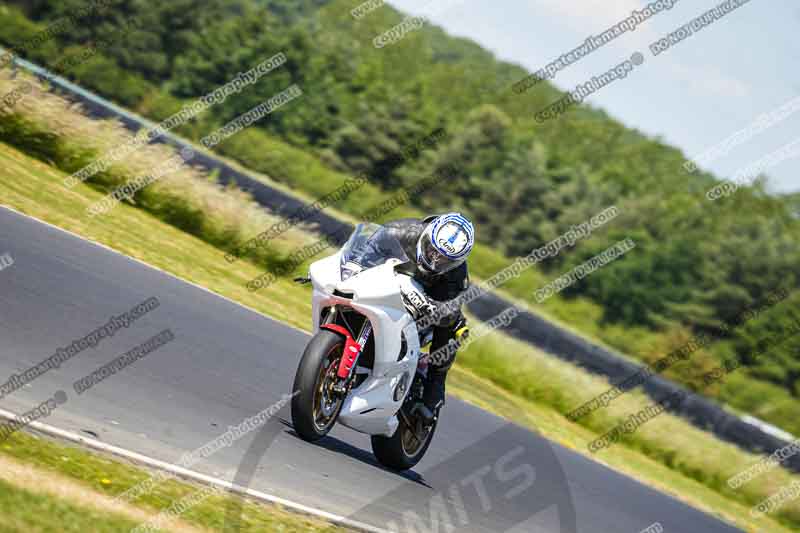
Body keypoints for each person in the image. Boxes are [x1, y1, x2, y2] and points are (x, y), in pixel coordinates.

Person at [383, 212, 474, 423]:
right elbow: (366, 248)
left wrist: (433, 309)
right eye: (433, 250)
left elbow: (449, 310)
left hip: (423, 306)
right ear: (427, 236)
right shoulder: (402, 230)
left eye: (445, 259)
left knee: (453, 328)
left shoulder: (457, 274)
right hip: (384, 288)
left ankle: (434, 389)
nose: (436, 259)